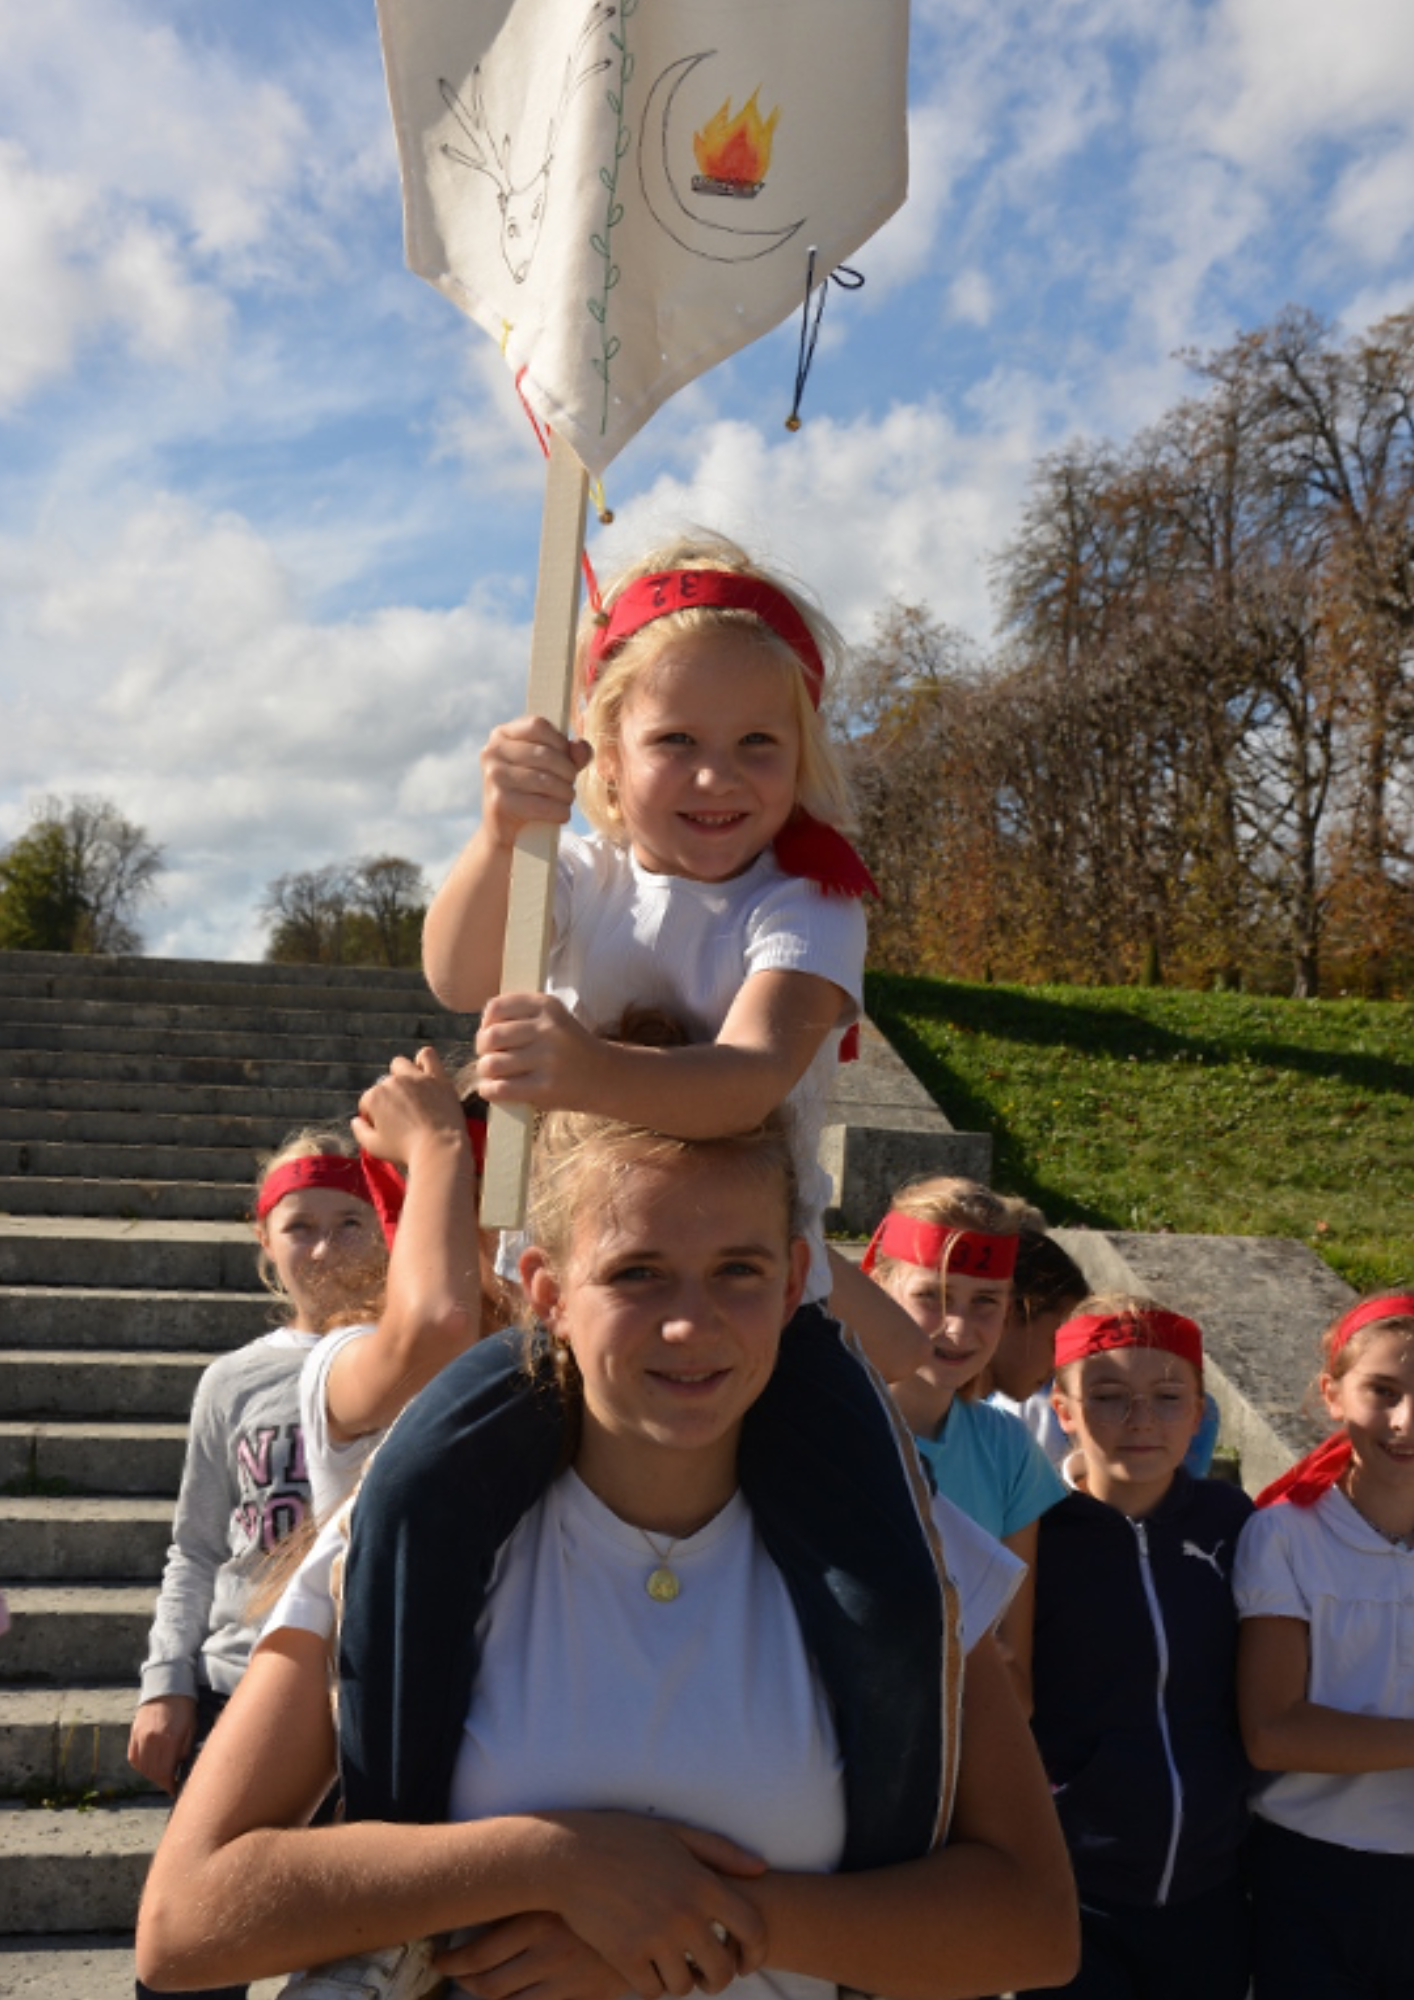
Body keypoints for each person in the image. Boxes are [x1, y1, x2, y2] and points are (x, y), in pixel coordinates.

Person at [135, 1107, 1080, 2000]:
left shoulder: (904, 1541)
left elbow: (1035, 1924)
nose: (689, 1323)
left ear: (796, 1283)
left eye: (738, 1272)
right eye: (637, 1273)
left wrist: (698, 1924)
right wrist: (553, 1861)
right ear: (548, 1290)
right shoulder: (408, 1530)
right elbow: (186, 1923)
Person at [421, 528, 925, 1387]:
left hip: (758, 1306)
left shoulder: (810, 902)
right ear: (609, 757)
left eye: (757, 743)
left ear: (802, 751)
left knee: (857, 1510)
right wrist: (500, 835)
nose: (716, 777)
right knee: (425, 1482)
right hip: (577, 1295)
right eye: (677, 742)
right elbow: (458, 976)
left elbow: (750, 1078)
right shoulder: (572, 874)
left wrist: (588, 1072)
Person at [128, 1128, 389, 2000]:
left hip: (359, 1704)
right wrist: (166, 1679)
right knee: (194, 1957)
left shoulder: (413, 1364)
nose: (325, 1247)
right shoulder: (231, 1382)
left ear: (390, 1223)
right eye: (300, 1225)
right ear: (264, 1240)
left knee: (350, 1961)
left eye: (351, 1222)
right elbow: (197, 1546)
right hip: (236, 1692)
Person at [1027, 1295, 1254, 2000]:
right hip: (1074, 1886)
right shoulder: (1031, 1531)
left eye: (1165, 1397)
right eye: (1109, 1397)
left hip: (1212, 1886)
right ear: (1063, 1411)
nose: (1140, 1421)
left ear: (1197, 1412)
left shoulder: (1235, 1522)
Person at [1234, 1288, 1414, 1999]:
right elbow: (1274, 1732)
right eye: (1383, 1391)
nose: (1406, 1421)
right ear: (1332, 1394)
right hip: (1312, 1874)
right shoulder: (1286, 1535)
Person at [864, 1176, 1066, 1708]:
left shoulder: (1010, 1450)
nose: (958, 1328)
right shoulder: (824, 1425)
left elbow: (1012, 1671)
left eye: (986, 1302)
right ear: (878, 1287)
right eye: (932, 1295)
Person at [297, 1047, 511, 1521]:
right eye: (510, 1202)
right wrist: (438, 1145)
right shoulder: (344, 1355)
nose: (535, 1232)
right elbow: (439, 1328)